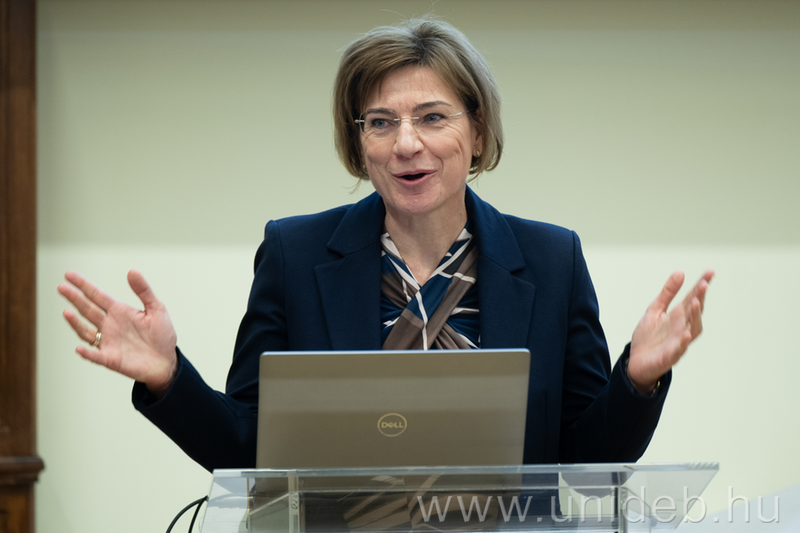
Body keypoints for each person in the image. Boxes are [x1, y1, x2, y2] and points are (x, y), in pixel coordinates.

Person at [58, 18, 713, 473]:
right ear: (359, 142)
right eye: (380, 122)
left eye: (432, 117)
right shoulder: (293, 254)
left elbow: (587, 461)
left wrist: (637, 379)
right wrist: (170, 378)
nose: (406, 143)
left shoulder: (551, 260)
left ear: (477, 132)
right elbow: (249, 450)